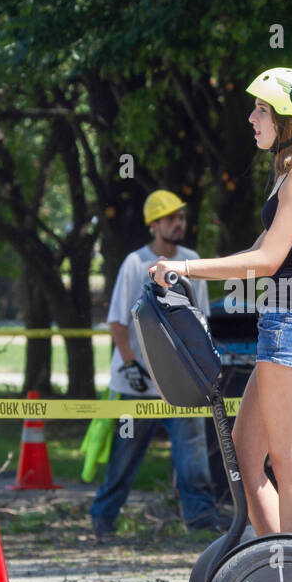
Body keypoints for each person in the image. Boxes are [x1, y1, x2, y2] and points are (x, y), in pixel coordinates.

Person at [150, 68, 292, 536]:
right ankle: (269, 558)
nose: (251, 118)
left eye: (262, 109)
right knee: (246, 452)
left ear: (291, 118)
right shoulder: (288, 174)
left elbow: (266, 261)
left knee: (290, 463)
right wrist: (185, 271)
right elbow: (252, 252)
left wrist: (184, 267)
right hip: (283, 323)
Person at [90, 190, 223, 541]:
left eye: (181, 217)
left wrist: (201, 369)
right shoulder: (135, 264)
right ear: (154, 224)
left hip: (181, 383)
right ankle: (103, 519)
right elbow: (118, 322)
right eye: (170, 218)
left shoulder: (192, 261)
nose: (179, 224)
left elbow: (201, 322)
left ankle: (202, 522)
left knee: (192, 457)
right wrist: (131, 365)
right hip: (138, 386)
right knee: (124, 457)